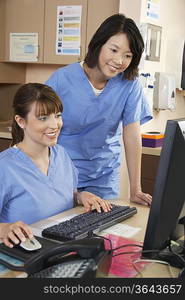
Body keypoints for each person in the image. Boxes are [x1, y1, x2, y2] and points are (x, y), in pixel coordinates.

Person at [45, 13, 153, 206]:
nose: (119, 61)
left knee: (103, 233)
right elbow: (39, 131)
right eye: (113, 50)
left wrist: (136, 189)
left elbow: (132, 134)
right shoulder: (61, 80)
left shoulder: (129, 84)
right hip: (62, 176)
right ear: (99, 44)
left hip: (104, 177)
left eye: (128, 55)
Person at [0, 83, 111, 248]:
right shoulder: (5, 166)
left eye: (57, 115)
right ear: (21, 121)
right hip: (26, 254)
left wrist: (80, 196)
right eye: (43, 118)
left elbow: (58, 194)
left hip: (62, 247)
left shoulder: (60, 154)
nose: (54, 125)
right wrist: (4, 229)